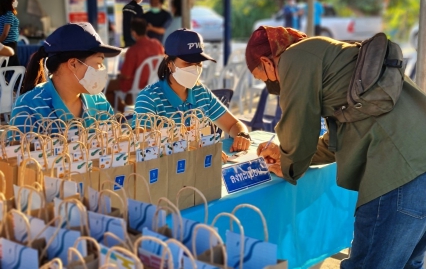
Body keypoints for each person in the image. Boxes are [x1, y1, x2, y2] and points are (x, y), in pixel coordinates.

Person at [245, 25, 426, 268]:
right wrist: (285, 155)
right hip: (417, 161)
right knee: (406, 264)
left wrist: (288, 164)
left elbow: (298, 122)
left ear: (267, 61)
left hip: (399, 169)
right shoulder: (328, 54)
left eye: (263, 76)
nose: (271, 84)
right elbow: (338, 138)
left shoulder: (293, 57)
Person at [135, 28, 251, 156]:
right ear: (169, 62)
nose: (194, 69)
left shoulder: (201, 92)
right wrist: (198, 150)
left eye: (198, 63)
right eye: (188, 63)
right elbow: (144, 145)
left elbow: (233, 124)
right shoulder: (149, 98)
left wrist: (242, 135)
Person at [11, 22, 121, 133]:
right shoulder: (28, 108)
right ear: (73, 64)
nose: (102, 69)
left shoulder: (99, 102)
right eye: (99, 63)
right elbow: (19, 149)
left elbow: (114, 146)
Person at [106, 18, 164, 112]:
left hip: (136, 84)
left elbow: (126, 75)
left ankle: (124, 111)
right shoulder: (157, 44)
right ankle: (127, 109)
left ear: (133, 33)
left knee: (105, 87)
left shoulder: (133, 50)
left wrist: (118, 75)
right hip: (154, 83)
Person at [0, 0, 20, 66]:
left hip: (5, 44)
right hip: (10, 44)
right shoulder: (9, 14)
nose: (15, 1)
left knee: (7, 67)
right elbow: (5, 33)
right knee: (15, 67)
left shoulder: (2, 14)